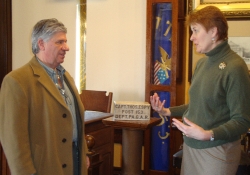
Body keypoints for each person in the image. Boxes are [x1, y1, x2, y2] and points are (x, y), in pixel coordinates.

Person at [150, 6, 250, 175]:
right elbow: (197, 105)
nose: (191, 37)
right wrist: (167, 111)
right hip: (191, 148)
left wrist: (208, 134)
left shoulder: (235, 67)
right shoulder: (202, 64)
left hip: (218, 152)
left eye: (195, 31)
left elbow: (242, 121)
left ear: (213, 32)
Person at [0, 18, 89, 175]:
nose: (66, 47)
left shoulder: (66, 76)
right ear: (41, 44)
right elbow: (14, 141)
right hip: (45, 167)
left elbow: (75, 119)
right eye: (59, 42)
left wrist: (83, 154)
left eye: (66, 42)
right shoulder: (17, 81)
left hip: (75, 161)